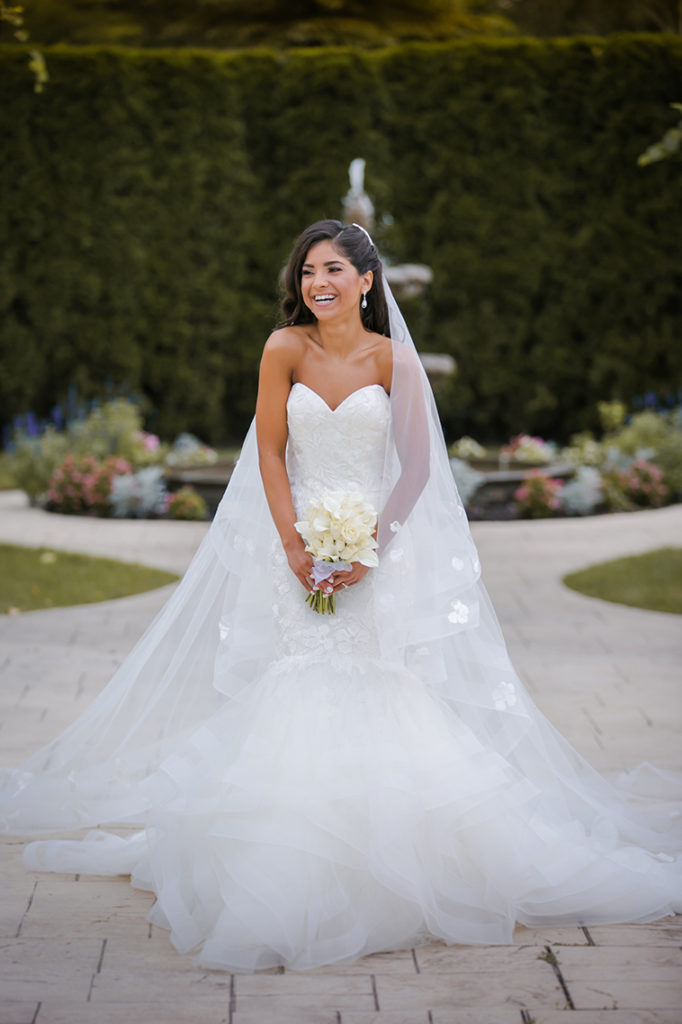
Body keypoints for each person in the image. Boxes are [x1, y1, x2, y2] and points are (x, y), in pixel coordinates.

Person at [1, 221, 680, 973]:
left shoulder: (394, 361)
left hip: (376, 553)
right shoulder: (282, 349)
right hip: (293, 548)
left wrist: (370, 550)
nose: (317, 282)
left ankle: (397, 863)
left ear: (367, 280)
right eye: (307, 271)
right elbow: (266, 446)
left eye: (333, 269)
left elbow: (419, 467)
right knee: (298, 679)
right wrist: (294, 544)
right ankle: (287, 862)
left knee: (383, 683)